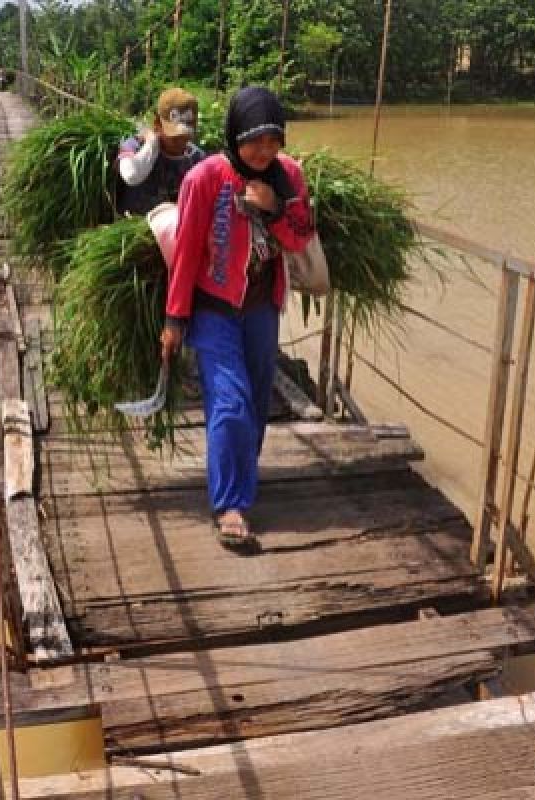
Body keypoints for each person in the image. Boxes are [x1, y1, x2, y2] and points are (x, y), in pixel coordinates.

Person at [159, 87, 313, 548]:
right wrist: (174, 320)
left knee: (256, 399)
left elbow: (302, 237)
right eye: (255, 139)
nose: (265, 149)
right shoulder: (206, 178)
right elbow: (186, 253)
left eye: (274, 138)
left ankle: (241, 476)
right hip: (214, 309)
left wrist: (274, 206)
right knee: (229, 401)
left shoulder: (289, 176)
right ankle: (230, 504)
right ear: (235, 135)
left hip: (262, 308)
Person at [117, 88, 207, 216]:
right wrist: (152, 144)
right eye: (175, 137)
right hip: (130, 224)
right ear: (157, 124)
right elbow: (131, 176)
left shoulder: (197, 159)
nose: (181, 142)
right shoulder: (135, 146)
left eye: (186, 136)